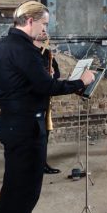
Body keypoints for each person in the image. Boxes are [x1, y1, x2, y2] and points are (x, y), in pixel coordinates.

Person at [0, 1, 94, 213]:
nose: (45, 29)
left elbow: (12, 83)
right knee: (25, 193)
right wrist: (81, 82)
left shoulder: (2, 47)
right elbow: (46, 85)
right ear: (29, 21)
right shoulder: (23, 49)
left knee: (12, 188)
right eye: (44, 24)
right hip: (26, 127)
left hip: (11, 122)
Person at [33, 35, 60, 174]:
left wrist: (53, 74)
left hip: (45, 98)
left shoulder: (48, 54)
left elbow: (57, 74)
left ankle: (42, 164)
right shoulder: (30, 54)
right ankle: (34, 165)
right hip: (33, 101)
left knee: (45, 134)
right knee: (34, 135)